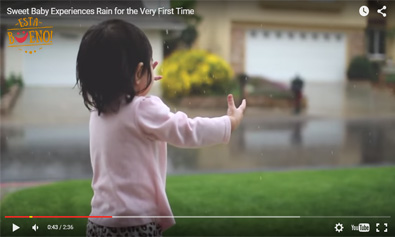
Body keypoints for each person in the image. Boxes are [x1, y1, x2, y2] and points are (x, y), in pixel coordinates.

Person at [76, 19, 246, 236]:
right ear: (138, 73)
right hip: (135, 224)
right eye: (147, 67)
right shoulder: (143, 109)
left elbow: (125, 104)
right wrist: (229, 123)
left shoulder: (98, 111)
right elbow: (186, 130)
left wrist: (136, 83)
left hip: (99, 223)